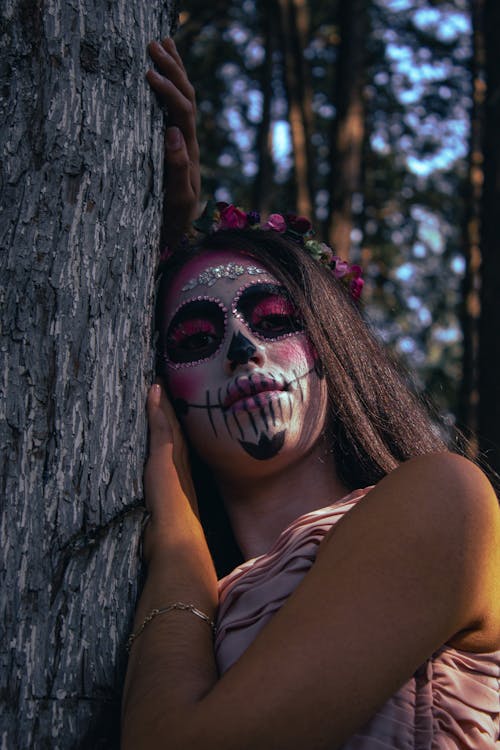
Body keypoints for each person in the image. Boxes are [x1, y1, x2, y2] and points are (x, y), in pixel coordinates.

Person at [121, 38, 500, 749]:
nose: (244, 348)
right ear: (162, 388)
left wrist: (175, 535)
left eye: (272, 320)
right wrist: (153, 226)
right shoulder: (194, 606)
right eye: (197, 337)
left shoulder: (445, 503)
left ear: (332, 351)